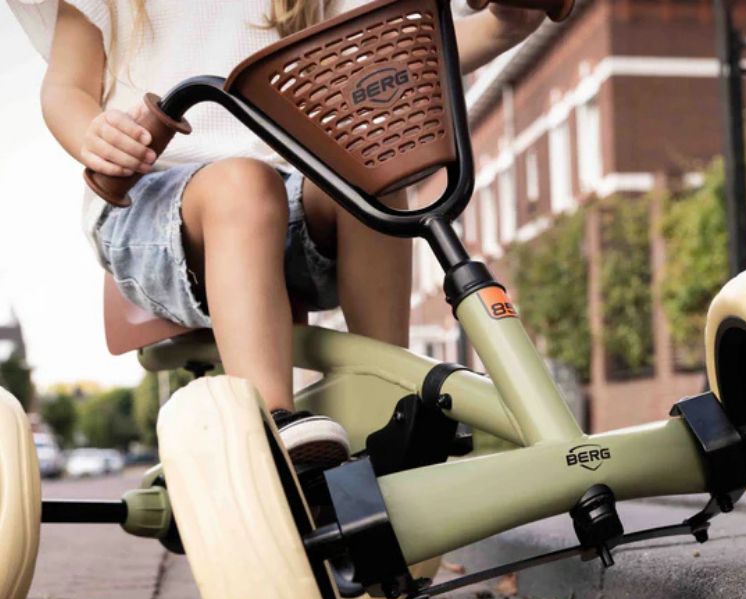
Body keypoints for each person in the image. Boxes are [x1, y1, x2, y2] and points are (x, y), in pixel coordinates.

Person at [9, 0, 547, 465]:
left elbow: (392, 60)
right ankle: (274, 423)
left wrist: (505, 27)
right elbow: (66, 87)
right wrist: (93, 134)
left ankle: (386, 398)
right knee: (244, 185)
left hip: (292, 199)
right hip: (150, 203)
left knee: (373, 168)